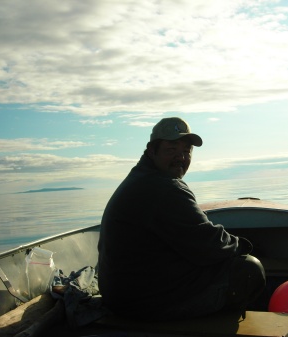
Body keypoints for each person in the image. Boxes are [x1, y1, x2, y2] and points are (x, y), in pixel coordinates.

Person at [98, 117, 265, 321]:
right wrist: (243, 246)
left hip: (123, 295)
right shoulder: (163, 187)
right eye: (171, 149)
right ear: (152, 150)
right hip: (141, 304)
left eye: (186, 151)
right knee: (248, 270)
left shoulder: (141, 178)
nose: (181, 157)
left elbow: (196, 237)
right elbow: (210, 246)